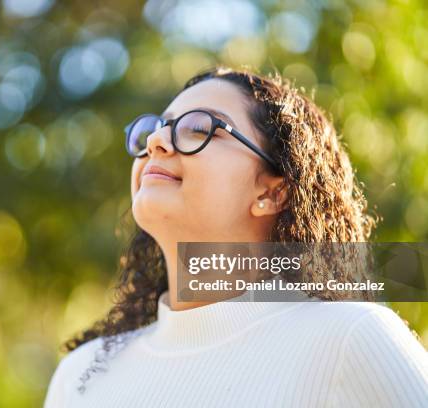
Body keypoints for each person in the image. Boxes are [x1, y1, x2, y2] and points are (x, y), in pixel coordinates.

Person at [44, 67, 428, 407]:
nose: (156, 142)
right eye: (154, 129)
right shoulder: (80, 376)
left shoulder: (350, 339)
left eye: (198, 128)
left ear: (271, 192)